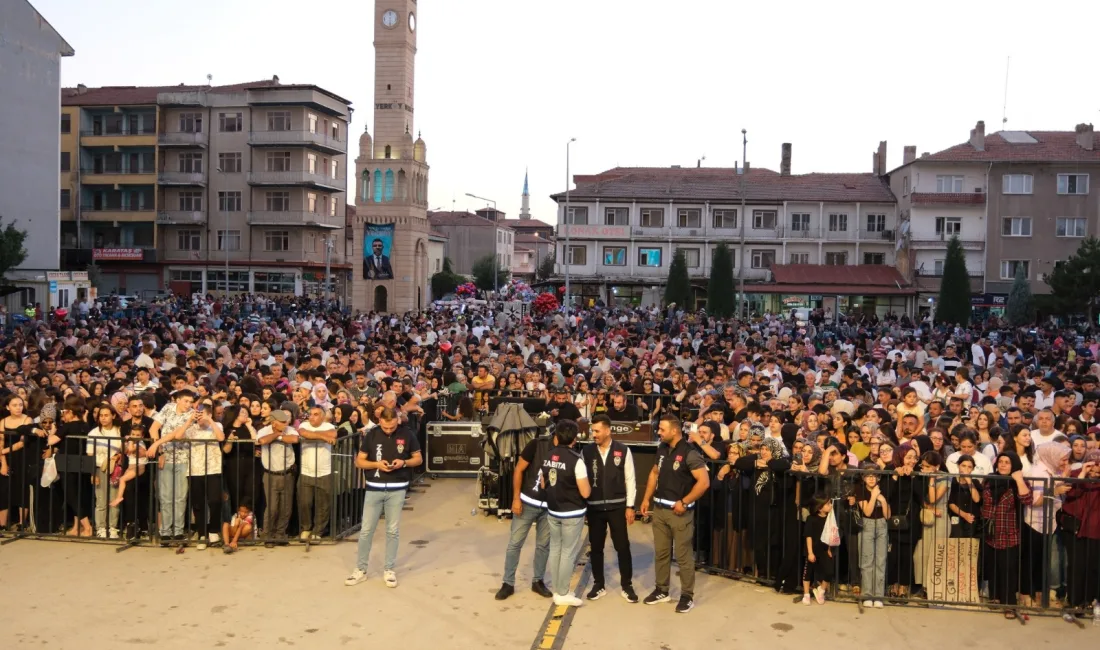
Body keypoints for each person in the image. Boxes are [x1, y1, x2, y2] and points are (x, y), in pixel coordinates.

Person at [345, 407, 422, 589]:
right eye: (386, 427)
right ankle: (361, 569)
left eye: (392, 427)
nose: (389, 430)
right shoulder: (372, 435)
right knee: (366, 530)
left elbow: (418, 458)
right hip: (374, 488)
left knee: (392, 530)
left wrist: (403, 462)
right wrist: (376, 464)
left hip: (397, 488)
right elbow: (359, 461)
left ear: (398, 420)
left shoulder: (407, 434)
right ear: (380, 421)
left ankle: (389, 569)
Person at [640, 414, 710, 613]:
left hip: (680, 513)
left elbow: (704, 482)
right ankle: (662, 589)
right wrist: (646, 498)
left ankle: (687, 595)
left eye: (662, 429)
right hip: (660, 510)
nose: (658, 432)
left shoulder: (690, 453)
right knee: (661, 553)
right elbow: (654, 473)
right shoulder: (661, 448)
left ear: (674, 431)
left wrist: (685, 502)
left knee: (683, 556)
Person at [581, 413, 638, 603]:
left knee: (622, 546)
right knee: (596, 547)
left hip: (618, 507)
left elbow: (630, 480)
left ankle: (627, 585)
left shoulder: (623, 450)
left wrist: (630, 506)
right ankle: (599, 584)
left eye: (597, 431)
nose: (593, 434)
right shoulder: (587, 452)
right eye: (592, 430)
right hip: (594, 508)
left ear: (607, 430)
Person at [495, 429, 555, 601]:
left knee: (543, 546)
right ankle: (508, 583)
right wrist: (516, 499)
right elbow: (519, 470)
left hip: (548, 508)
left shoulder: (567, 452)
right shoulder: (537, 445)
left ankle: (538, 581)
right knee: (515, 543)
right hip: (527, 503)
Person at [541, 419, 591, 607]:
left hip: (553, 509)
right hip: (572, 512)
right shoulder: (576, 460)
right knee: (568, 552)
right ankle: (562, 593)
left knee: (555, 548)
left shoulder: (548, 456)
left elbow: (544, 482)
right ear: (574, 438)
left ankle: (558, 588)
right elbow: (585, 492)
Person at [255, 409, 299, 547]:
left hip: (287, 473)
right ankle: (268, 536)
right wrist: (277, 434)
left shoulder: (290, 429)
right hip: (270, 474)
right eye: (282, 422)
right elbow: (261, 441)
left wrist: (278, 436)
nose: (285, 423)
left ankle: (280, 534)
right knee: (272, 507)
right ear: (274, 423)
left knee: (286, 508)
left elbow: (294, 439)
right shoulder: (264, 431)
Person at [297, 405, 336, 541]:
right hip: (306, 471)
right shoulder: (304, 424)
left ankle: (318, 530)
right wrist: (322, 438)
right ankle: (306, 528)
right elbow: (303, 433)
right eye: (311, 414)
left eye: (316, 414)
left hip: (324, 471)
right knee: (304, 502)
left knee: (323, 504)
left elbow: (332, 435)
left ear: (323, 416)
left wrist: (315, 436)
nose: (311, 417)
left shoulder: (329, 426)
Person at [802, 494, 834, 605]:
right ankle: (806, 594)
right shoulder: (811, 519)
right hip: (812, 549)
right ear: (820, 507)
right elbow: (808, 536)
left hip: (824, 548)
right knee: (808, 571)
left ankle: (821, 590)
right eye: (828, 504)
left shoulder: (830, 518)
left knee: (829, 571)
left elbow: (830, 535)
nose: (831, 506)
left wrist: (829, 549)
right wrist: (810, 552)